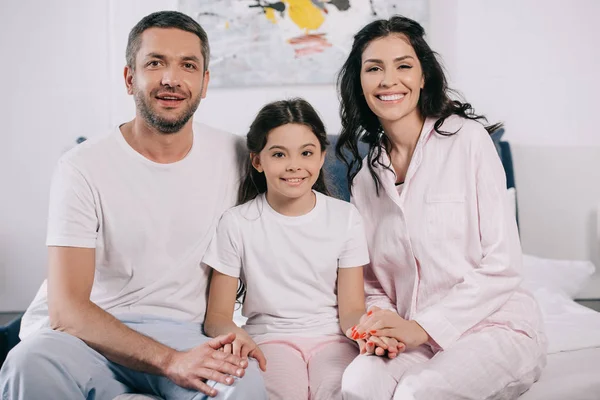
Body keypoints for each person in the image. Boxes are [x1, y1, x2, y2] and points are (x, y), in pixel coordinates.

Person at [0, 11, 266, 400]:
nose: (171, 79)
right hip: (94, 336)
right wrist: (168, 360)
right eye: (155, 63)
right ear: (130, 78)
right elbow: (67, 310)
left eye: (188, 65)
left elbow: (302, 220)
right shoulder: (81, 166)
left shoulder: (239, 155)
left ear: (205, 82)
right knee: (27, 363)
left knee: (243, 385)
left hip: (191, 333)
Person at [335, 16, 547, 400]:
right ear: (359, 82)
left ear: (423, 77)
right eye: (374, 69)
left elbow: (503, 264)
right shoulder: (365, 177)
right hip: (411, 332)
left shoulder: (468, 141)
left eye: (403, 65)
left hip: (493, 325)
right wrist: (383, 326)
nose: (388, 80)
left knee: (421, 391)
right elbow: (372, 282)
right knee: (357, 383)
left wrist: (423, 328)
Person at [202, 98, 370, 400]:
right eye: (279, 154)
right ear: (258, 161)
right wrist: (237, 337)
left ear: (321, 156)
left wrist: (368, 334)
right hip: (268, 341)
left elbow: (353, 310)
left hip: (333, 340)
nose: (294, 166)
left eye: (306, 153)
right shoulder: (236, 223)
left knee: (343, 391)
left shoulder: (346, 218)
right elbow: (217, 317)